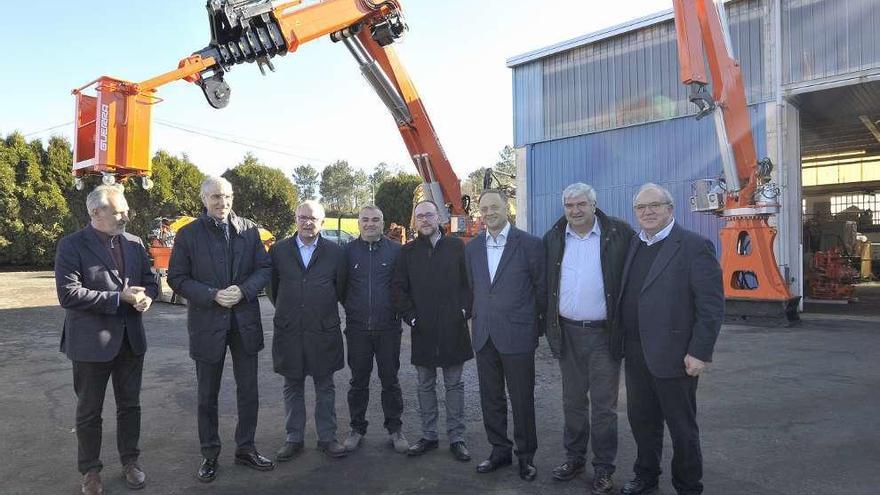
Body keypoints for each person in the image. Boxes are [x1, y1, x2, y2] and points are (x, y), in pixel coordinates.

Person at [617, 183, 723, 495]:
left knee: (682, 427)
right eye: (641, 208)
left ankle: (688, 484)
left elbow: (711, 306)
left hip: (676, 356)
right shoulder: (634, 245)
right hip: (635, 352)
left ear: (670, 209)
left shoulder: (693, 246)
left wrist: (699, 352)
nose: (647, 212)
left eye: (655, 205)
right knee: (642, 421)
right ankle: (646, 475)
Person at [167, 176, 275, 483]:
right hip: (207, 323)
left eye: (226, 196)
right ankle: (210, 454)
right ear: (203, 199)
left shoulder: (249, 231)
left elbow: (264, 269)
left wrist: (243, 291)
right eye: (215, 197)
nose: (222, 202)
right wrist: (212, 294)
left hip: (244, 322)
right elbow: (176, 278)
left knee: (249, 392)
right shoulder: (188, 235)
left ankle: (246, 448)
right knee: (206, 395)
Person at [54, 184, 158, 494]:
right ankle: (90, 471)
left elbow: (150, 282)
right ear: (95, 213)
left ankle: (131, 462)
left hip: (130, 341)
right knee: (89, 412)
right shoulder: (72, 245)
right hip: (90, 344)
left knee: (130, 407)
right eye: (118, 212)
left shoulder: (135, 243)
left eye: (126, 210)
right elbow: (68, 294)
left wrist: (148, 298)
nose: (126, 216)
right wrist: (119, 298)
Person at [543, 182, 634, 494]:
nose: (575, 210)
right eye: (569, 206)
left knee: (604, 407)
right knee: (572, 403)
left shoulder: (619, 235)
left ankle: (604, 468)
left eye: (581, 204)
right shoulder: (554, 238)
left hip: (603, 335)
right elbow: (546, 285)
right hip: (567, 333)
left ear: (594, 205)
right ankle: (574, 458)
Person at [464, 190, 546, 482]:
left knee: (522, 398)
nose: (488, 212)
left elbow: (541, 290)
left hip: (518, 336)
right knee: (491, 398)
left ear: (506, 207)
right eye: (483, 208)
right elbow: (474, 288)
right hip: (485, 335)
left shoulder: (531, 245)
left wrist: (534, 328)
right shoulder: (472, 248)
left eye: (494, 207)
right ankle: (499, 450)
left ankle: (526, 457)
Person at [391, 200, 473, 462]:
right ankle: (429, 435)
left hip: (453, 329)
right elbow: (398, 289)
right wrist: (412, 318)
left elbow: (468, 284)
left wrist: (464, 311)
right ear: (415, 221)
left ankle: (457, 438)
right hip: (423, 330)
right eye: (420, 216)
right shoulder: (407, 252)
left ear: (439, 217)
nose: (425, 220)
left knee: (454, 385)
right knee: (425, 385)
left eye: (429, 214)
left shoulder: (456, 247)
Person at [268, 200, 349, 460]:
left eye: (313, 218)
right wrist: (293, 309)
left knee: (325, 385)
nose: (307, 222)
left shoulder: (335, 252)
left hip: (323, 330)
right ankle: (294, 438)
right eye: (303, 217)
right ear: (296, 219)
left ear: (321, 222)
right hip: (289, 330)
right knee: (292, 385)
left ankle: (328, 438)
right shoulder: (279, 251)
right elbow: (273, 289)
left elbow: (342, 288)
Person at [341, 205, 409, 454]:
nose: (370, 224)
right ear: (358, 223)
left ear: (383, 223)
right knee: (358, 382)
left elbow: (402, 287)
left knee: (390, 381)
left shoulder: (396, 252)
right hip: (357, 329)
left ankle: (395, 429)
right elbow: (341, 287)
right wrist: (353, 309)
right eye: (365, 220)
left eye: (375, 220)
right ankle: (357, 428)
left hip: (388, 329)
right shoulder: (347, 252)